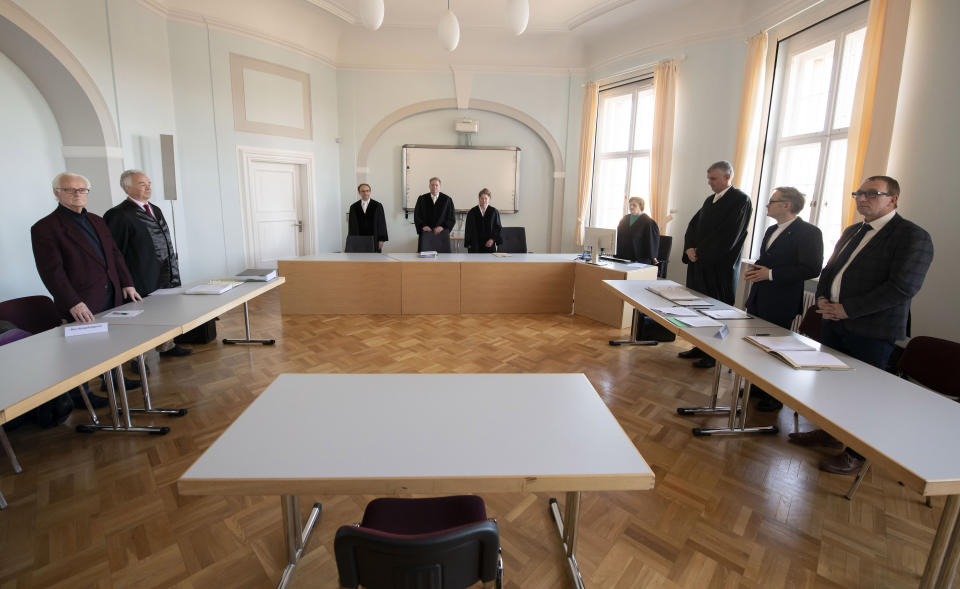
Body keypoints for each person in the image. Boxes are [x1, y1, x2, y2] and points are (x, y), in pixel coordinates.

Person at [788, 176, 934, 475]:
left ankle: (856, 453)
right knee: (829, 385)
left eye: (872, 194)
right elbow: (830, 270)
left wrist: (848, 309)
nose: (862, 198)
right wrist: (825, 300)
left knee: (864, 396)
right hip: (834, 321)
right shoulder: (854, 230)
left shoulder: (912, 236)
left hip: (873, 329)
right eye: (859, 193)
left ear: (893, 199)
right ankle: (830, 433)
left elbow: (902, 287)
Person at [31, 172, 143, 404]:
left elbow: (114, 254)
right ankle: (82, 396)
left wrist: (127, 282)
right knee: (80, 351)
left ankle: (111, 379)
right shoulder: (45, 227)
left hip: (111, 292)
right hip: (80, 299)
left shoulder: (97, 220)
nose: (77, 194)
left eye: (82, 190)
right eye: (70, 190)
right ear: (57, 193)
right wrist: (72, 301)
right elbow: (52, 272)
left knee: (110, 341)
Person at [744, 187, 823, 411]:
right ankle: (758, 387)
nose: (767, 205)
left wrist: (769, 274)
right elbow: (767, 258)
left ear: (786, 205)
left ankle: (774, 395)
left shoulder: (809, 232)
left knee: (776, 349)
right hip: (760, 295)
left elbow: (810, 267)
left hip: (782, 299)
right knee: (757, 346)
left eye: (772, 201)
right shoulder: (771, 230)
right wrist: (757, 270)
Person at [104, 170, 191, 357]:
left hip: (166, 272)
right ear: (127, 188)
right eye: (142, 184)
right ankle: (137, 358)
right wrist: (124, 281)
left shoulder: (154, 209)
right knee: (142, 318)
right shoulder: (118, 214)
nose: (148, 187)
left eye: (149, 183)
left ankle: (167, 345)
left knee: (167, 311)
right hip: (141, 275)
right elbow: (114, 252)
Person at [679, 161, 753, 368]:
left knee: (716, 312)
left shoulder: (740, 200)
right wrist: (689, 248)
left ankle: (715, 354)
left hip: (719, 269)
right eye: (708, 178)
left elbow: (729, 236)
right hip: (699, 265)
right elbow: (692, 226)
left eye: (713, 178)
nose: (709, 183)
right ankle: (699, 346)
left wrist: (699, 252)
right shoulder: (710, 200)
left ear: (727, 177)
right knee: (697, 310)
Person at [413, 177, 455, 252]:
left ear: (440, 187)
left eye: (436, 185)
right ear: (429, 186)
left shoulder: (447, 200)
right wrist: (423, 226)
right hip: (426, 234)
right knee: (425, 261)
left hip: (442, 235)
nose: (434, 187)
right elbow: (417, 216)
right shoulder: (422, 199)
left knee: (443, 261)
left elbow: (451, 218)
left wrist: (442, 227)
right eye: (432, 185)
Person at [615, 196, 660, 264]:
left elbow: (651, 242)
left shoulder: (648, 222)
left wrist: (653, 258)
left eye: (634, 205)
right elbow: (617, 235)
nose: (631, 207)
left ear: (641, 207)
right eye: (630, 205)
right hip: (621, 256)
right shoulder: (625, 219)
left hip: (639, 259)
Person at [347, 183, 388, 252]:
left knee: (374, 260)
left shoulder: (377, 205)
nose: (365, 193)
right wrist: (352, 240)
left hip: (374, 238)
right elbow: (352, 226)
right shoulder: (353, 207)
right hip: (358, 238)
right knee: (359, 259)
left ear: (370, 191)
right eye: (363, 191)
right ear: (359, 193)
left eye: (367, 191)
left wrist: (381, 239)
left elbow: (381, 223)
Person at [463, 188, 502, 253]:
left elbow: (498, 228)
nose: (484, 200)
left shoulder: (494, 212)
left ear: (489, 199)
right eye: (482, 198)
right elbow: (468, 228)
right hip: (475, 245)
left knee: (489, 263)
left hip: (489, 245)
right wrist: (468, 244)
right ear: (479, 199)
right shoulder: (472, 212)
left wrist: (492, 240)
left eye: (486, 198)